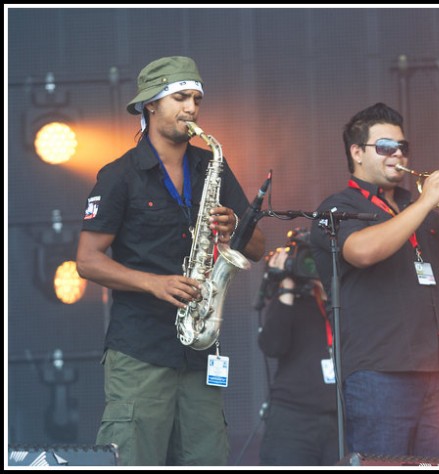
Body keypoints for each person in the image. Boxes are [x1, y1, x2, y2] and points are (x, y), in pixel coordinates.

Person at [76, 56, 265, 466]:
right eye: (180, 97)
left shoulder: (210, 162)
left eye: (197, 98)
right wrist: (154, 283)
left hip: (199, 349)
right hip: (140, 351)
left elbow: (258, 247)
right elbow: (87, 262)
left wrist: (234, 231)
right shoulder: (118, 175)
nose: (192, 109)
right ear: (150, 104)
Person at [309, 102, 439, 459]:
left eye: (402, 147)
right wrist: (425, 204)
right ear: (357, 152)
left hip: (437, 373)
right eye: (386, 147)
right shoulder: (337, 207)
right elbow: (362, 252)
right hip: (378, 373)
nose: (398, 155)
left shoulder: (420, 209)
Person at [256, 229, 339, 466]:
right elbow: (272, 346)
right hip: (293, 418)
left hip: (340, 420)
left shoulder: (345, 298)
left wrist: (328, 289)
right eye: (308, 257)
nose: (313, 264)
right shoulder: (293, 300)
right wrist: (287, 284)